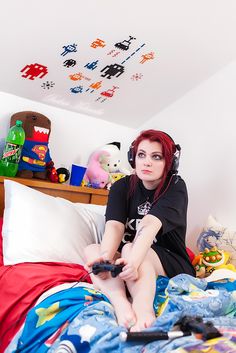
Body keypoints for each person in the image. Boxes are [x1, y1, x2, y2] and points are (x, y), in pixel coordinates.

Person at [84, 129, 195, 332]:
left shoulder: (176, 186)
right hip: (130, 258)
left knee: (130, 250)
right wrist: (106, 257)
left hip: (169, 261)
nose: (146, 162)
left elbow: (149, 224)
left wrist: (133, 261)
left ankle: (143, 311)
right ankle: (120, 304)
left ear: (169, 163)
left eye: (156, 157)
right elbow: (115, 226)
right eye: (141, 155)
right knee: (93, 250)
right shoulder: (121, 186)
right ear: (133, 158)